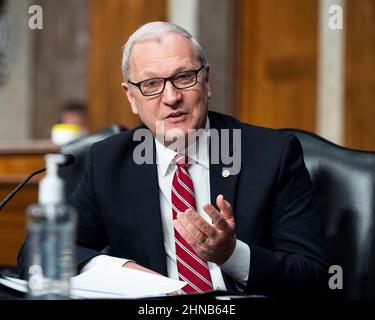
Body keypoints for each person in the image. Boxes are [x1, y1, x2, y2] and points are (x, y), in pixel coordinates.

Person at [18, 22, 328, 298]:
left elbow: (313, 276)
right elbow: (37, 251)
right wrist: (125, 271)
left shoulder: (272, 155)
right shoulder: (109, 161)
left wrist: (232, 254)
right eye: (151, 84)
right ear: (131, 97)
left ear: (206, 81)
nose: (171, 98)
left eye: (184, 77)